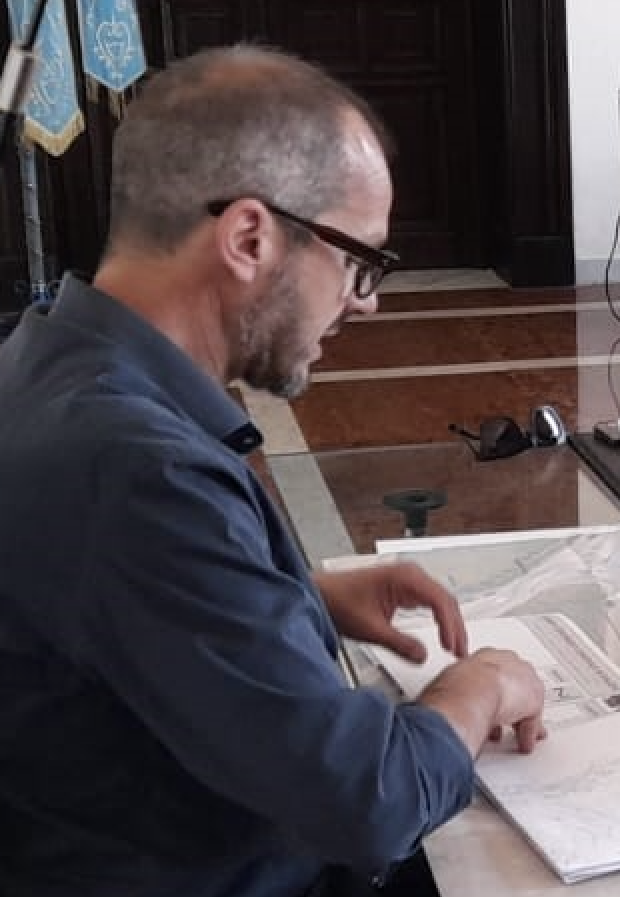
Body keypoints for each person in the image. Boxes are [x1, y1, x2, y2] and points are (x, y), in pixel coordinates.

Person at [0, 46, 549, 897]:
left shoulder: (42, 362)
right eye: (358, 260)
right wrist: (478, 689)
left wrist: (292, 597)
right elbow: (366, 802)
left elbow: (102, 611)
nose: (365, 300)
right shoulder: (138, 470)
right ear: (249, 237)